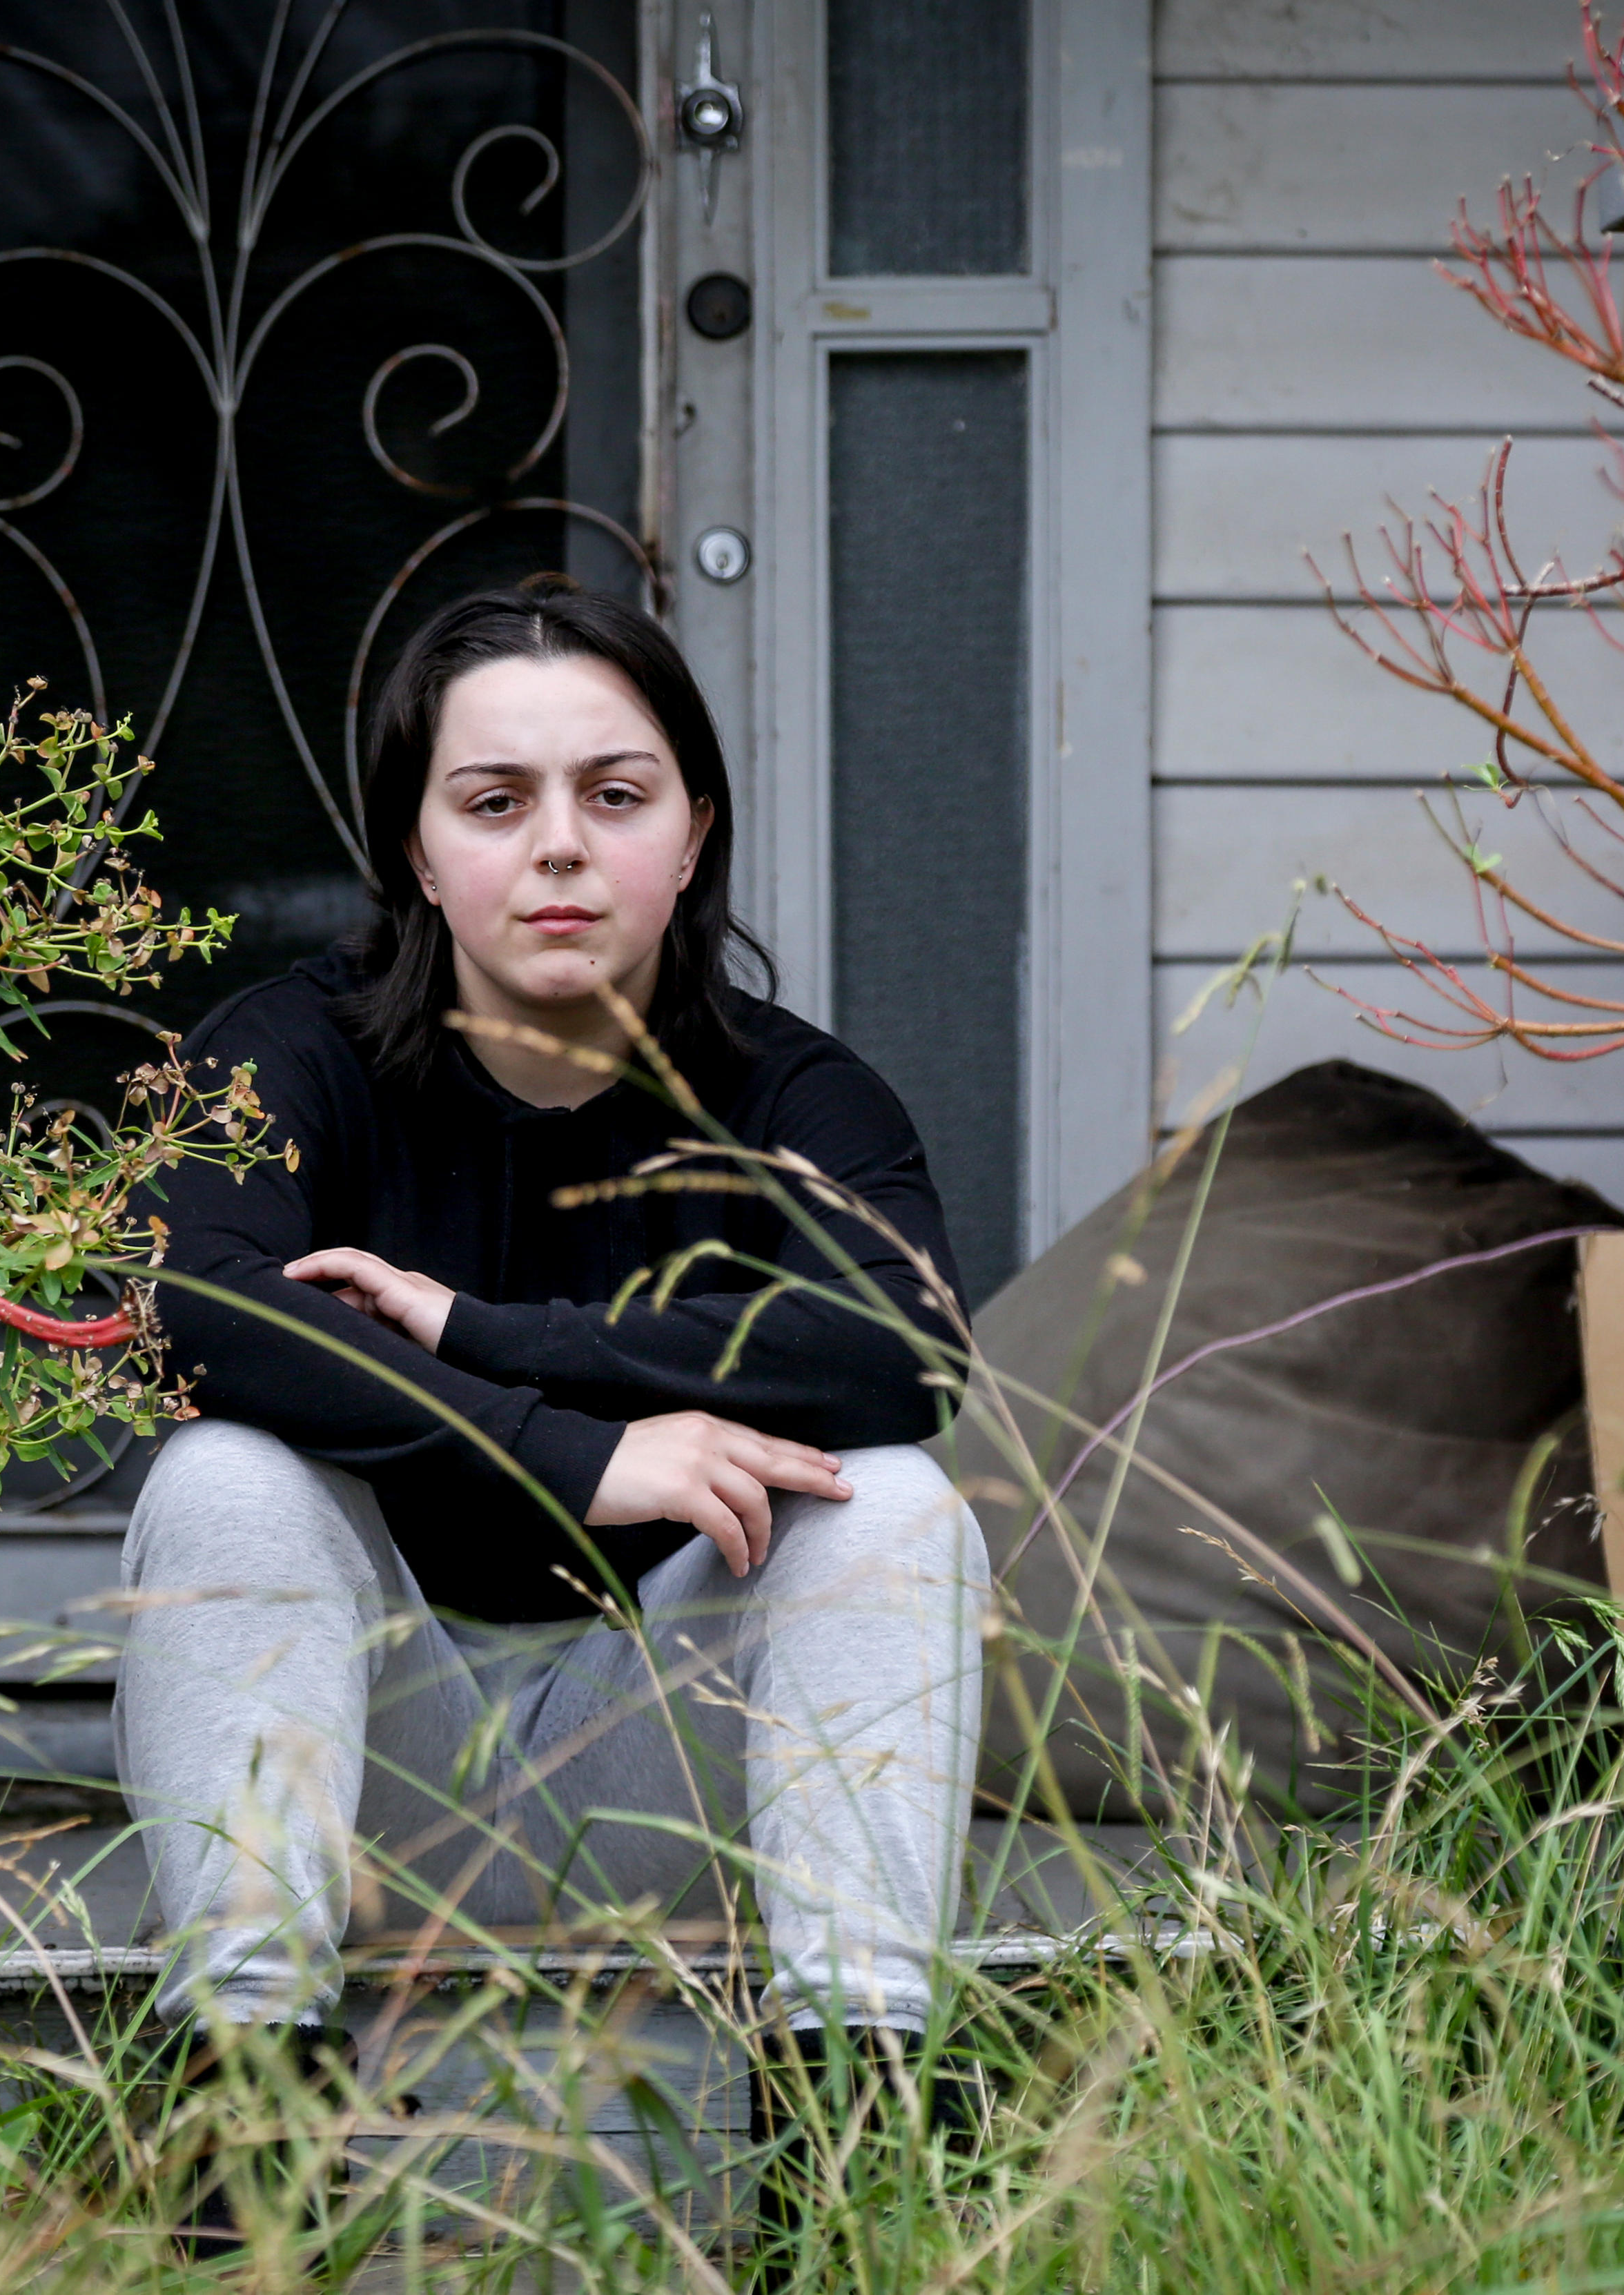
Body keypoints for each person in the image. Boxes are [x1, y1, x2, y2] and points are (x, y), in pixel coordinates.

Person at [116, 574, 985, 2211]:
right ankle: (244, 2143)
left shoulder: (794, 1092)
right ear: (416, 851)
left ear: (692, 832)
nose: (561, 846)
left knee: (898, 1508)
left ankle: (862, 2145)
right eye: (496, 801)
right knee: (225, 1473)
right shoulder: (286, 1056)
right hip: (372, 1780)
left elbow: (907, 1344)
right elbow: (186, 1302)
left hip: (675, 1776)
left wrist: (482, 1333)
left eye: (614, 793)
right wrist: (574, 1457)